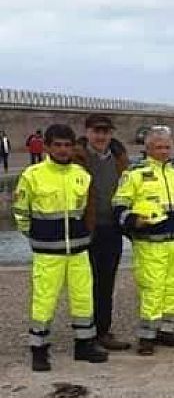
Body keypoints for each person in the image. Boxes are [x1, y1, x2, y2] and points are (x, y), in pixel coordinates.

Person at [14, 124, 108, 371]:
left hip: (78, 250)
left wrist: (85, 235)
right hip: (47, 252)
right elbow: (21, 213)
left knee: (83, 298)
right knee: (44, 300)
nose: (63, 150)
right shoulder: (31, 175)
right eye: (57, 145)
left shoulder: (82, 175)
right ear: (46, 147)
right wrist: (37, 236)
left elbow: (87, 211)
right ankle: (39, 349)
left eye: (67, 145)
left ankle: (84, 345)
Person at [113, 127, 174, 354]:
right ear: (147, 149)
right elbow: (119, 204)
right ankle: (147, 335)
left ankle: (166, 330)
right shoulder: (134, 174)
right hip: (149, 243)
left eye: (167, 147)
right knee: (152, 288)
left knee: (173, 288)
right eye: (158, 147)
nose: (164, 151)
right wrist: (133, 220)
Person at [75, 114, 130, 351]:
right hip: (86, 228)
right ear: (87, 132)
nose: (101, 136)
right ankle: (85, 334)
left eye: (106, 132)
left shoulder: (118, 158)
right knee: (85, 284)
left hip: (112, 229)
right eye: (97, 131)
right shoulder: (77, 159)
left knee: (106, 283)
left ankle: (103, 331)